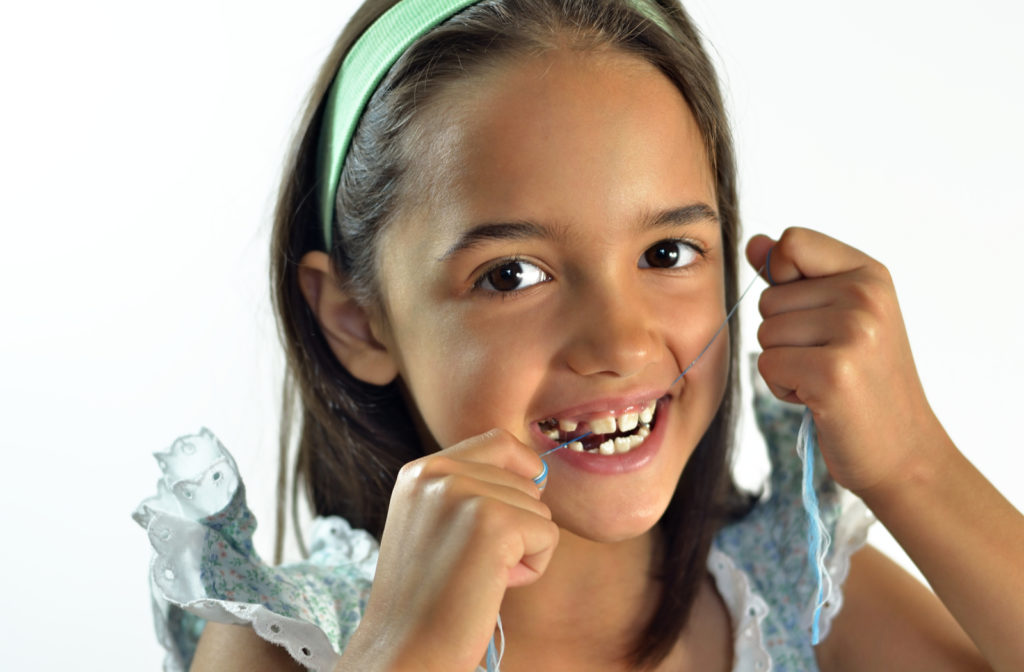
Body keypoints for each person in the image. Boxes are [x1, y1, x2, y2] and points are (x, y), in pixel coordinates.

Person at [133, 0, 1024, 670]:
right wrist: (409, 649)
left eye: (668, 251)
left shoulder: (795, 596)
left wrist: (914, 465)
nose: (619, 342)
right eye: (511, 274)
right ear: (357, 319)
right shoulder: (285, 643)